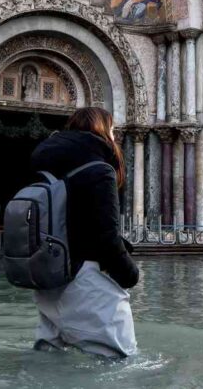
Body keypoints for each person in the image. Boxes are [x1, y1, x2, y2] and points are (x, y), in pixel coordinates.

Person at [28, 107, 139, 359]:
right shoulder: (100, 170)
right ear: (102, 130)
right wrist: (129, 273)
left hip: (47, 279)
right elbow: (106, 235)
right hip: (88, 278)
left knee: (48, 360)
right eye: (112, 129)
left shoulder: (42, 164)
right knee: (118, 363)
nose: (114, 135)